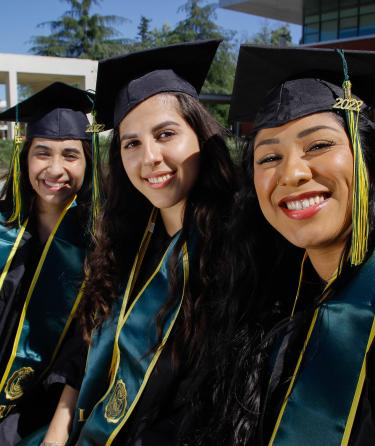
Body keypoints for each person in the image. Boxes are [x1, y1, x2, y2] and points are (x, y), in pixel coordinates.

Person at [35, 39, 238, 446]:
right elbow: (86, 353)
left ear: (200, 135)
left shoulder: (237, 254)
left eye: (166, 134)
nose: (149, 158)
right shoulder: (124, 242)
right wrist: (56, 435)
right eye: (131, 143)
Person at [192, 46, 375, 446]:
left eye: (319, 146)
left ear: (368, 159)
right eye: (269, 156)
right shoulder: (263, 300)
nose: (291, 173)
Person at [0, 82, 95, 445]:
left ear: (88, 163)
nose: (55, 169)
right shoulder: (3, 229)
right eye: (42, 153)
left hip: (43, 411)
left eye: (70, 155)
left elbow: (84, 351)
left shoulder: (102, 246)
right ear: (24, 158)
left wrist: (57, 434)